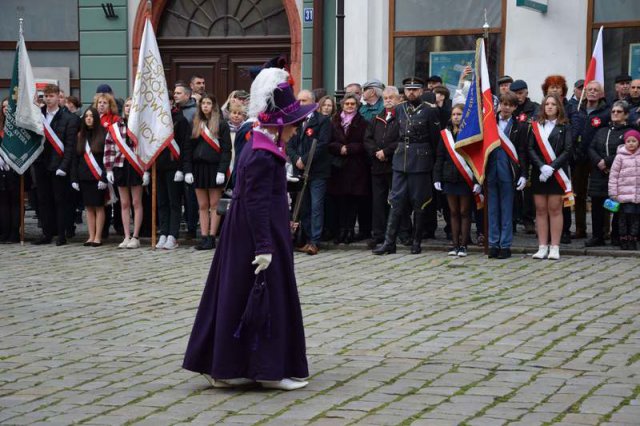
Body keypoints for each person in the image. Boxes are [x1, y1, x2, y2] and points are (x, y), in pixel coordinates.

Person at [183, 67, 314, 391]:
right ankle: (266, 369)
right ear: (279, 125)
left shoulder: (259, 144)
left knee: (236, 293)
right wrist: (264, 247)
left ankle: (229, 365)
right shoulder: (261, 153)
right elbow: (255, 204)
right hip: (255, 234)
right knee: (262, 295)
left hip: (252, 232)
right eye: (294, 125)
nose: (296, 131)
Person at [373, 77, 441, 255]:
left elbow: (435, 140)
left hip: (420, 160)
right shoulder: (399, 109)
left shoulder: (429, 111)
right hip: (400, 159)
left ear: (421, 91)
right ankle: (389, 242)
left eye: (415, 90)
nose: (411, 92)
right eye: (408, 89)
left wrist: (432, 164)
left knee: (419, 202)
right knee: (395, 201)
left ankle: (416, 241)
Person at [527, 94, 573, 260]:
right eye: (547, 104)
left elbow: (568, 150)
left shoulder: (565, 126)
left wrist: (552, 168)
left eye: (553, 104)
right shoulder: (536, 126)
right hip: (540, 173)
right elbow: (530, 148)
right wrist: (541, 166)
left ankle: (555, 246)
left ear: (559, 107)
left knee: (555, 209)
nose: (550, 107)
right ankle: (542, 246)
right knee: (540, 210)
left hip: (557, 173)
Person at [32, 84, 79, 246]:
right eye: (45, 96)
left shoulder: (69, 118)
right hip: (41, 164)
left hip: (58, 165)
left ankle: (61, 234)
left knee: (60, 201)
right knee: (43, 201)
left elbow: (70, 146)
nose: (48, 99)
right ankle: (46, 233)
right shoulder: (38, 116)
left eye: (51, 96)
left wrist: (64, 166)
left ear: (59, 97)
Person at [184, 94, 232, 250]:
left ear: (214, 106)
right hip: (198, 169)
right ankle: (203, 237)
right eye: (203, 103)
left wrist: (222, 170)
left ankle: (212, 237)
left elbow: (226, 150)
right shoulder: (195, 124)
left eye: (208, 103)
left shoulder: (221, 124)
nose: (205, 106)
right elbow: (188, 149)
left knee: (214, 205)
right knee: (202, 205)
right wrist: (188, 170)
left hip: (214, 168)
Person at [286, 89, 331, 255]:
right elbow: (289, 143)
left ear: (313, 103)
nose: (300, 104)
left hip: (317, 171)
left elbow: (322, 144)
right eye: (299, 101)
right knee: (303, 206)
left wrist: (304, 160)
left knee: (316, 206)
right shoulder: (296, 121)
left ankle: (315, 241)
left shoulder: (323, 121)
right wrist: (296, 159)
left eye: (304, 101)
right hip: (299, 170)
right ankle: (304, 239)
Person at [434, 104, 481, 257]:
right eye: (454, 114)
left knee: (464, 212)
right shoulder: (445, 135)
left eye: (459, 114)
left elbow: (476, 158)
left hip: (465, 178)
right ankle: (455, 244)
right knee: (453, 212)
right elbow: (440, 157)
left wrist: (476, 181)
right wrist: (437, 177)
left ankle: (464, 245)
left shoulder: (471, 134)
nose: (455, 117)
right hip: (449, 178)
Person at [486, 92, 528, 259]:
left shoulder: (520, 126)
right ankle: (493, 244)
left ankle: (505, 245)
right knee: (492, 210)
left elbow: (523, 152)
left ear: (515, 108)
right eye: (504, 104)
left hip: (509, 172)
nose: (506, 107)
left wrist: (524, 174)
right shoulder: (489, 123)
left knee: (506, 210)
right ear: (499, 105)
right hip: (491, 171)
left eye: (510, 105)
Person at [586, 101, 632, 248]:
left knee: (617, 206)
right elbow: (591, 147)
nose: (615, 114)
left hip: (619, 174)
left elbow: (625, 149)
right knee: (597, 205)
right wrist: (599, 161)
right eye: (613, 111)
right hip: (599, 174)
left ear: (626, 114)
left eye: (619, 111)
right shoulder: (602, 130)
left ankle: (616, 235)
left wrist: (607, 162)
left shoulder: (629, 132)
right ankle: (597, 236)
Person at [104, 98, 149, 249]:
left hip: (136, 167)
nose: (129, 108)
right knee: (124, 203)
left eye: (132, 106)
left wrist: (146, 170)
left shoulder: (141, 127)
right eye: (127, 106)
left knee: (136, 202)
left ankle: (136, 236)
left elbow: (146, 149)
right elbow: (109, 148)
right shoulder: (115, 127)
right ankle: (126, 236)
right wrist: (109, 169)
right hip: (120, 166)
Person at [327, 94, 370, 244]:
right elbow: (329, 142)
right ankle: (340, 231)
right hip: (338, 167)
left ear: (357, 106)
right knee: (340, 201)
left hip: (355, 167)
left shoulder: (363, 122)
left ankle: (350, 231)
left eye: (353, 104)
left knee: (353, 201)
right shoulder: (334, 121)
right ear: (342, 105)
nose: (350, 106)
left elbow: (365, 142)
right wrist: (340, 148)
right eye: (347, 104)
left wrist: (349, 148)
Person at [571, 80, 610, 240]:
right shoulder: (577, 110)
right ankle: (580, 229)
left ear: (601, 94)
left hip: (597, 159)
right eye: (589, 89)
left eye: (596, 90)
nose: (592, 92)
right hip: (578, 157)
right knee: (579, 194)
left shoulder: (606, 112)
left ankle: (604, 230)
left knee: (601, 194)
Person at [364, 86, 401, 248]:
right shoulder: (376, 118)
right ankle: (378, 234)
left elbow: (402, 138)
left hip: (395, 165)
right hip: (378, 166)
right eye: (385, 98)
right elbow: (367, 139)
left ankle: (400, 232)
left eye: (391, 97)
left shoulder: (402, 117)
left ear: (398, 99)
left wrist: (386, 151)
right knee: (378, 201)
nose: (388, 100)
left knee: (396, 200)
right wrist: (376, 152)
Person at [155, 101, 190, 250]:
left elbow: (185, 146)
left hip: (174, 167)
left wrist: (182, 168)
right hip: (159, 167)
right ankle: (163, 232)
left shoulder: (180, 120)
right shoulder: (155, 119)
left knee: (174, 202)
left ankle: (173, 235)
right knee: (161, 202)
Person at [71, 108, 107, 246]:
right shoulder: (80, 136)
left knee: (98, 206)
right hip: (84, 176)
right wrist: (74, 178)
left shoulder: (103, 134)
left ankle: (98, 237)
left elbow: (106, 158)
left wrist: (104, 177)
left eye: (92, 116)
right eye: (86, 116)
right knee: (88, 207)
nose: (89, 118)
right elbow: (75, 159)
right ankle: (90, 236)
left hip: (98, 178)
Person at [608, 129, 640, 250]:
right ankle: (623, 239)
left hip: (637, 196)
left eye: (634, 141)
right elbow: (613, 176)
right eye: (628, 141)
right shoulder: (619, 157)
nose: (631, 143)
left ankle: (633, 238)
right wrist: (613, 192)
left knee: (635, 219)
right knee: (622, 219)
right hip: (622, 196)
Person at [0, 97, 20, 243]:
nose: (6, 109)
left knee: (15, 202)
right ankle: (4, 232)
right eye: (4, 107)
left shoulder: (19, 127)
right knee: (3, 202)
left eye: (8, 106)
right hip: (1, 168)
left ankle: (14, 233)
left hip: (15, 169)